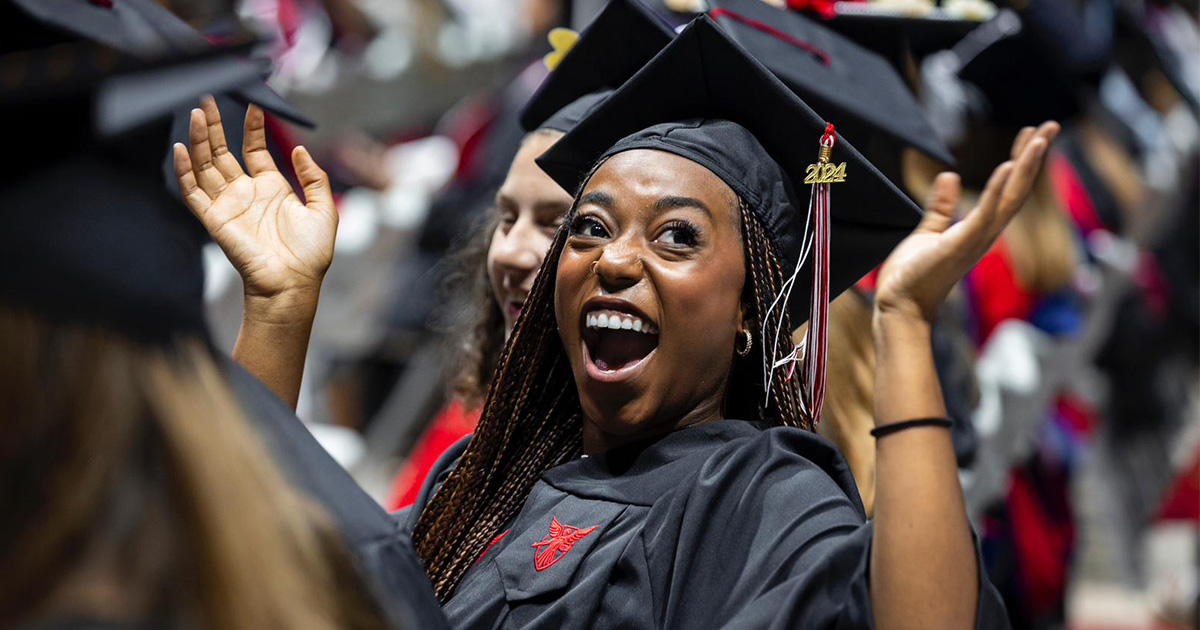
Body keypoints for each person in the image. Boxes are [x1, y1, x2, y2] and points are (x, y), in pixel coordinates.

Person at [188, 14, 1058, 627]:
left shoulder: (758, 496)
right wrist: (280, 308)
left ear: (752, 311)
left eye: (676, 236)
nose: (613, 259)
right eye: (590, 227)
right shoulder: (486, 475)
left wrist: (902, 321)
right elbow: (271, 582)